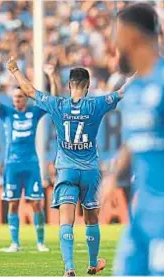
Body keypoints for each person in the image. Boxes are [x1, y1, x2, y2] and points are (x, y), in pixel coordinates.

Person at [6, 57, 126, 276]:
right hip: (90, 171)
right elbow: (122, 92)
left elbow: (30, 90)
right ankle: (92, 264)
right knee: (91, 219)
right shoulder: (96, 104)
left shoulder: (58, 105)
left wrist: (14, 70)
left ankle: (69, 268)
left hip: (66, 170)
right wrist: (140, 73)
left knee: (66, 221)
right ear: (88, 87)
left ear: (70, 85)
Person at [101, 3, 164, 276]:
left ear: (132, 34)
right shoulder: (135, 88)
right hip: (141, 217)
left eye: (117, 33)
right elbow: (133, 141)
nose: (113, 42)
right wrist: (113, 177)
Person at [0, 63, 57, 252]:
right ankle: (15, 243)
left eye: (19, 97)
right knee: (13, 203)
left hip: (31, 164)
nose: (16, 100)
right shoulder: (6, 113)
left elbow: (53, 101)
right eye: (14, 97)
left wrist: (51, 76)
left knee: (36, 204)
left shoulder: (34, 112)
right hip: (11, 165)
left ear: (25, 98)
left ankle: (40, 242)